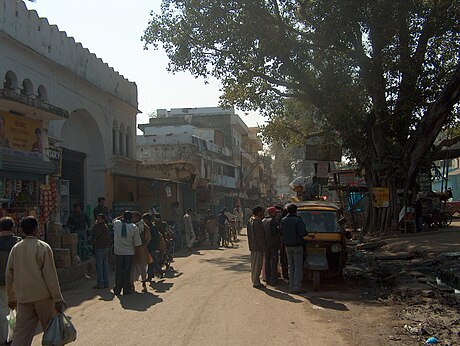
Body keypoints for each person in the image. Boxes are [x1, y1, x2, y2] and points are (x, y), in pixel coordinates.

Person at [6, 216, 66, 346]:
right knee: (52, 332)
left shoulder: (16, 248)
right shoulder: (43, 247)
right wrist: (57, 299)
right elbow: (50, 276)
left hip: (23, 298)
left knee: (21, 334)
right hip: (43, 297)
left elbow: (9, 274)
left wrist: (11, 296)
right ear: (35, 229)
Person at [0, 217, 21, 343]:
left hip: (1, 281)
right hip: (16, 281)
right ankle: (13, 336)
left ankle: (4, 337)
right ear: (12, 227)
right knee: (16, 309)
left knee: (3, 308)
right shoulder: (18, 243)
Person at [280, 204, 308, 294]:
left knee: (291, 266)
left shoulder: (283, 220)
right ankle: (296, 287)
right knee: (298, 267)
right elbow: (303, 233)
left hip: (287, 246)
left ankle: (291, 285)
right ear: (296, 211)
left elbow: (280, 232)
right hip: (297, 246)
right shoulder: (298, 220)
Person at [112, 211, 142, 296]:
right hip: (129, 252)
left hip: (118, 252)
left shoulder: (117, 223)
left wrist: (121, 216)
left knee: (119, 271)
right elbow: (137, 243)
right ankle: (126, 289)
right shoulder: (133, 227)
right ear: (131, 218)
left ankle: (117, 289)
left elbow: (114, 219)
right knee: (127, 272)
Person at [247, 206, 267, 288]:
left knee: (253, 264)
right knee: (258, 265)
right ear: (258, 212)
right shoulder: (258, 222)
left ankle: (254, 279)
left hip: (252, 245)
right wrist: (264, 248)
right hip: (258, 246)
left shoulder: (250, 221)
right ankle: (256, 281)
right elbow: (261, 237)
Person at [131, 212, 152, 291]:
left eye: (133, 217)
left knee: (138, 267)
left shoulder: (134, 226)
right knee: (139, 267)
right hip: (140, 248)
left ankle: (141, 284)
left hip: (137, 248)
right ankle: (137, 284)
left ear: (137, 217)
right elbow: (148, 238)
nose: (132, 218)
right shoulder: (142, 226)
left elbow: (148, 237)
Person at [92, 213, 111, 289]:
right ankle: (106, 282)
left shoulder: (100, 227)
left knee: (99, 266)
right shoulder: (105, 226)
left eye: (99, 219)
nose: (97, 220)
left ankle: (101, 282)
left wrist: (96, 225)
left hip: (100, 247)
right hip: (105, 247)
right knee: (105, 265)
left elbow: (95, 233)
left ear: (103, 219)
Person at [263, 207, 281, 286]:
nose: (276, 214)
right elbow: (275, 232)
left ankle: (268, 278)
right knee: (274, 262)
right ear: (271, 213)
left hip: (266, 244)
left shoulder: (263, 221)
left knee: (267, 262)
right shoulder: (273, 221)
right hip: (273, 244)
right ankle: (273, 279)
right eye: (275, 213)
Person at [143, 213, 162, 282]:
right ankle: (150, 276)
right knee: (149, 262)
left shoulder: (152, 227)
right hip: (149, 246)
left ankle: (159, 271)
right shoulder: (148, 226)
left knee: (153, 261)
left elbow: (154, 238)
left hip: (152, 246)